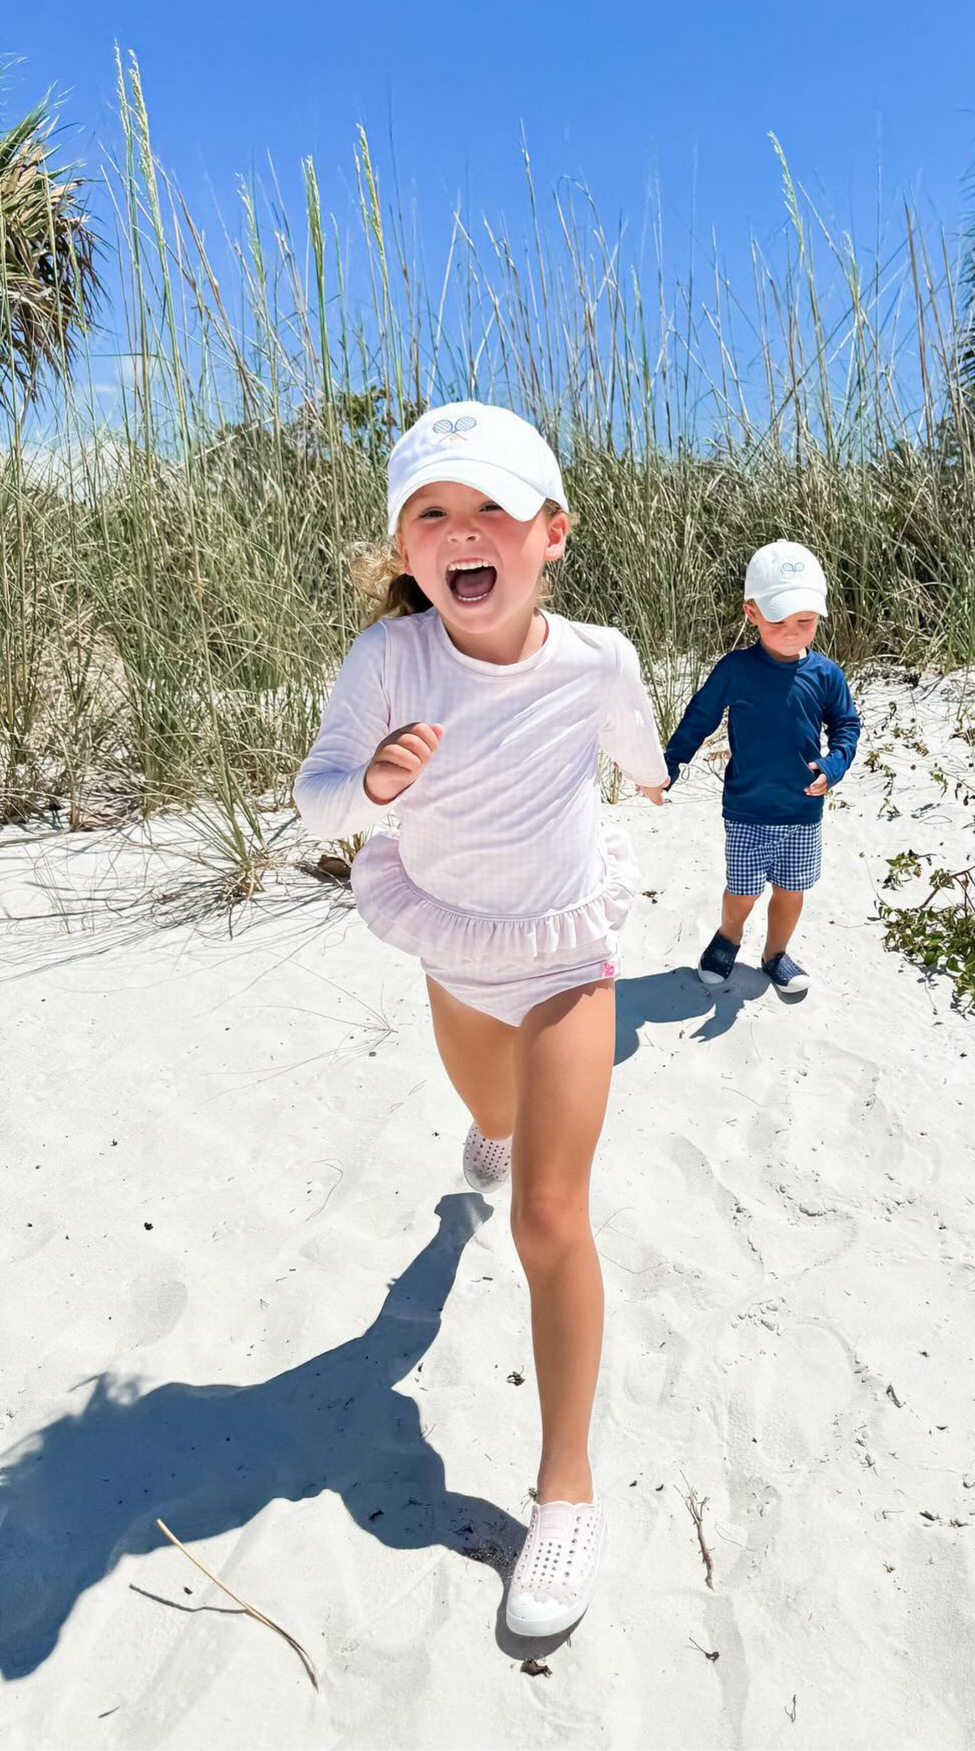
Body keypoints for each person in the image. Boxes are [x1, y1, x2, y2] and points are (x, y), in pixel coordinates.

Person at [294, 402, 669, 1637]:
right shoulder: (387, 662)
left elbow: (634, 746)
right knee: (488, 1116)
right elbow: (317, 803)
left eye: (490, 510)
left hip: (567, 951)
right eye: (431, 513)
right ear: (407, 548)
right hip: (456, 945)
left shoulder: (598, 656)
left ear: (550, 533)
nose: (463, 533)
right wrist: (374, 784)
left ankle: (565, 1488)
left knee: (548, 1212)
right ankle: (489, 1137)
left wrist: (657, 770)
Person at [663, 540, 860, 995]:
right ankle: (727, 938)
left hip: (803, 809)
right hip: (747, 807)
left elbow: (847, 724)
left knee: (791, 891)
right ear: (751, 613)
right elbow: (701, 717)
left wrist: (833, 766)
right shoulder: (736, 668)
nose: (792, 630)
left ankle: (775, 955)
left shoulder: (826, 673)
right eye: (778, 620)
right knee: (743, 891)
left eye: (805, 621)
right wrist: (671, 762)